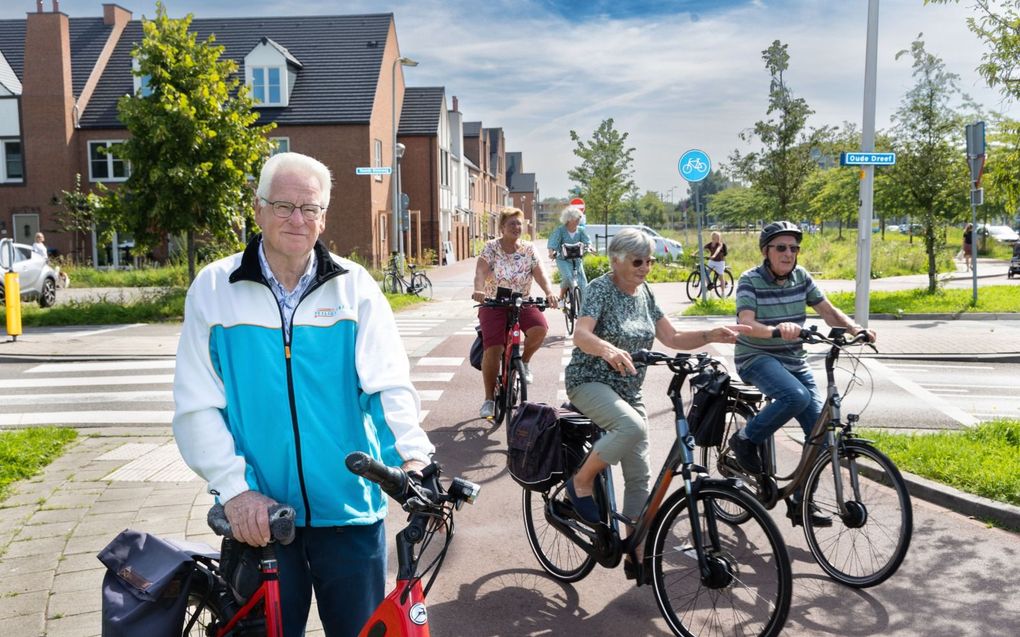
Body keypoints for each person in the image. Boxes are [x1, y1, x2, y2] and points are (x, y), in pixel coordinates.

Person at [172, 152, 434, 637]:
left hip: (350, 510)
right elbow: (196, 406)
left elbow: (388, 384)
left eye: (309, 208)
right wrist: (235, 490)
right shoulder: (214, 288)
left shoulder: (356, 289)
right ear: (258, 209)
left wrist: (414, 461)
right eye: (282, 205)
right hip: (261, 517)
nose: (297, 219)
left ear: (324, 216)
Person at [563, 228, 748, 574]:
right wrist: (607, 349)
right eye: (638, 261)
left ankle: (636, 549)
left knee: (640, 477)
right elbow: (581, 334)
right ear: (616, 260)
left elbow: (672, 336)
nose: (646, 267)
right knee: (630, 427)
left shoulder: (645, 292)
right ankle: (581, 482)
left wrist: (711, 334)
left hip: (629, 389)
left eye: (649, 260)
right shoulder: (601, 288)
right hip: (590, 381)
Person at [729, 220, 876, 526]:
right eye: (781, 248)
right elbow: (746, 324)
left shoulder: (801, 277)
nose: (788, 254)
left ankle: (801, 503)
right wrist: (775, 332)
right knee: (794, 396)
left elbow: (828, 310)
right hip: (756, 356)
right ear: (766, 251)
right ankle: (745, 439)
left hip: (794, 360)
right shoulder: (749, 280)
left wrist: (855, 328)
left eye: (794, 248)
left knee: (820, 438)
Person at [471, 208, 559, 419]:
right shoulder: (491, 248)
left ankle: (524, 362)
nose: (517, 228)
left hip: (522, 301)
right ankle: (489, 400)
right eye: (512, 224)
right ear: (501, 227)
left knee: (540, 328)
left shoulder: (529, 249)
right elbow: (481, 272)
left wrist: (549, 292)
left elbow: (541, 274)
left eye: (519, 224)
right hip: (493, 303)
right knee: (494, 348)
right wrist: (479, 289)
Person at [547, 205, 593, 302]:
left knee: (583, 283)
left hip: (577, 260)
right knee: (568, 277)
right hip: (563, 260)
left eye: (580, 218)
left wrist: (590, 248)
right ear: (569, 218)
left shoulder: (581, 230)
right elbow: (553, 243)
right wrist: (551, 252)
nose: (579, 220)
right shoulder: (560, 230)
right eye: (577, 217)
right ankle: (561, 296)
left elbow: (587, 241)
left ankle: (583, 307)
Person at [704, 230, 728, 296]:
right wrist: (694, 253)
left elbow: (718, 250)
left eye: (718, 238)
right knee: (705, 274)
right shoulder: (710, 244)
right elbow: (702, 248)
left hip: (720, 262)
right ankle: (710, 285)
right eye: (715, 238)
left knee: (721, 276)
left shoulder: (720, 244)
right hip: (712, 261)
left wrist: (714, 255)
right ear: (712, 238)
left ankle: (723, 293)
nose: (717, 239)